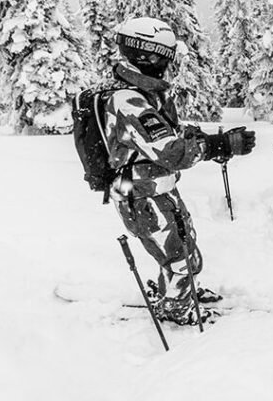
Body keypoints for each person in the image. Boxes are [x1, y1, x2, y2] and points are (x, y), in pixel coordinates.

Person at [104, 17, 255, 325]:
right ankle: (175, 308)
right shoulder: (129, 101)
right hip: (140, 195)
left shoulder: (145, 95)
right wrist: (215, 146)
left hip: (153, 189)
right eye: (165, 56)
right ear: (146, 56)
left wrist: (209, 141)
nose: (168, 64)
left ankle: (176, 293)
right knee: (182, 259)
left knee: (181, 249)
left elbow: (168, 134)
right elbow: (169, 152)